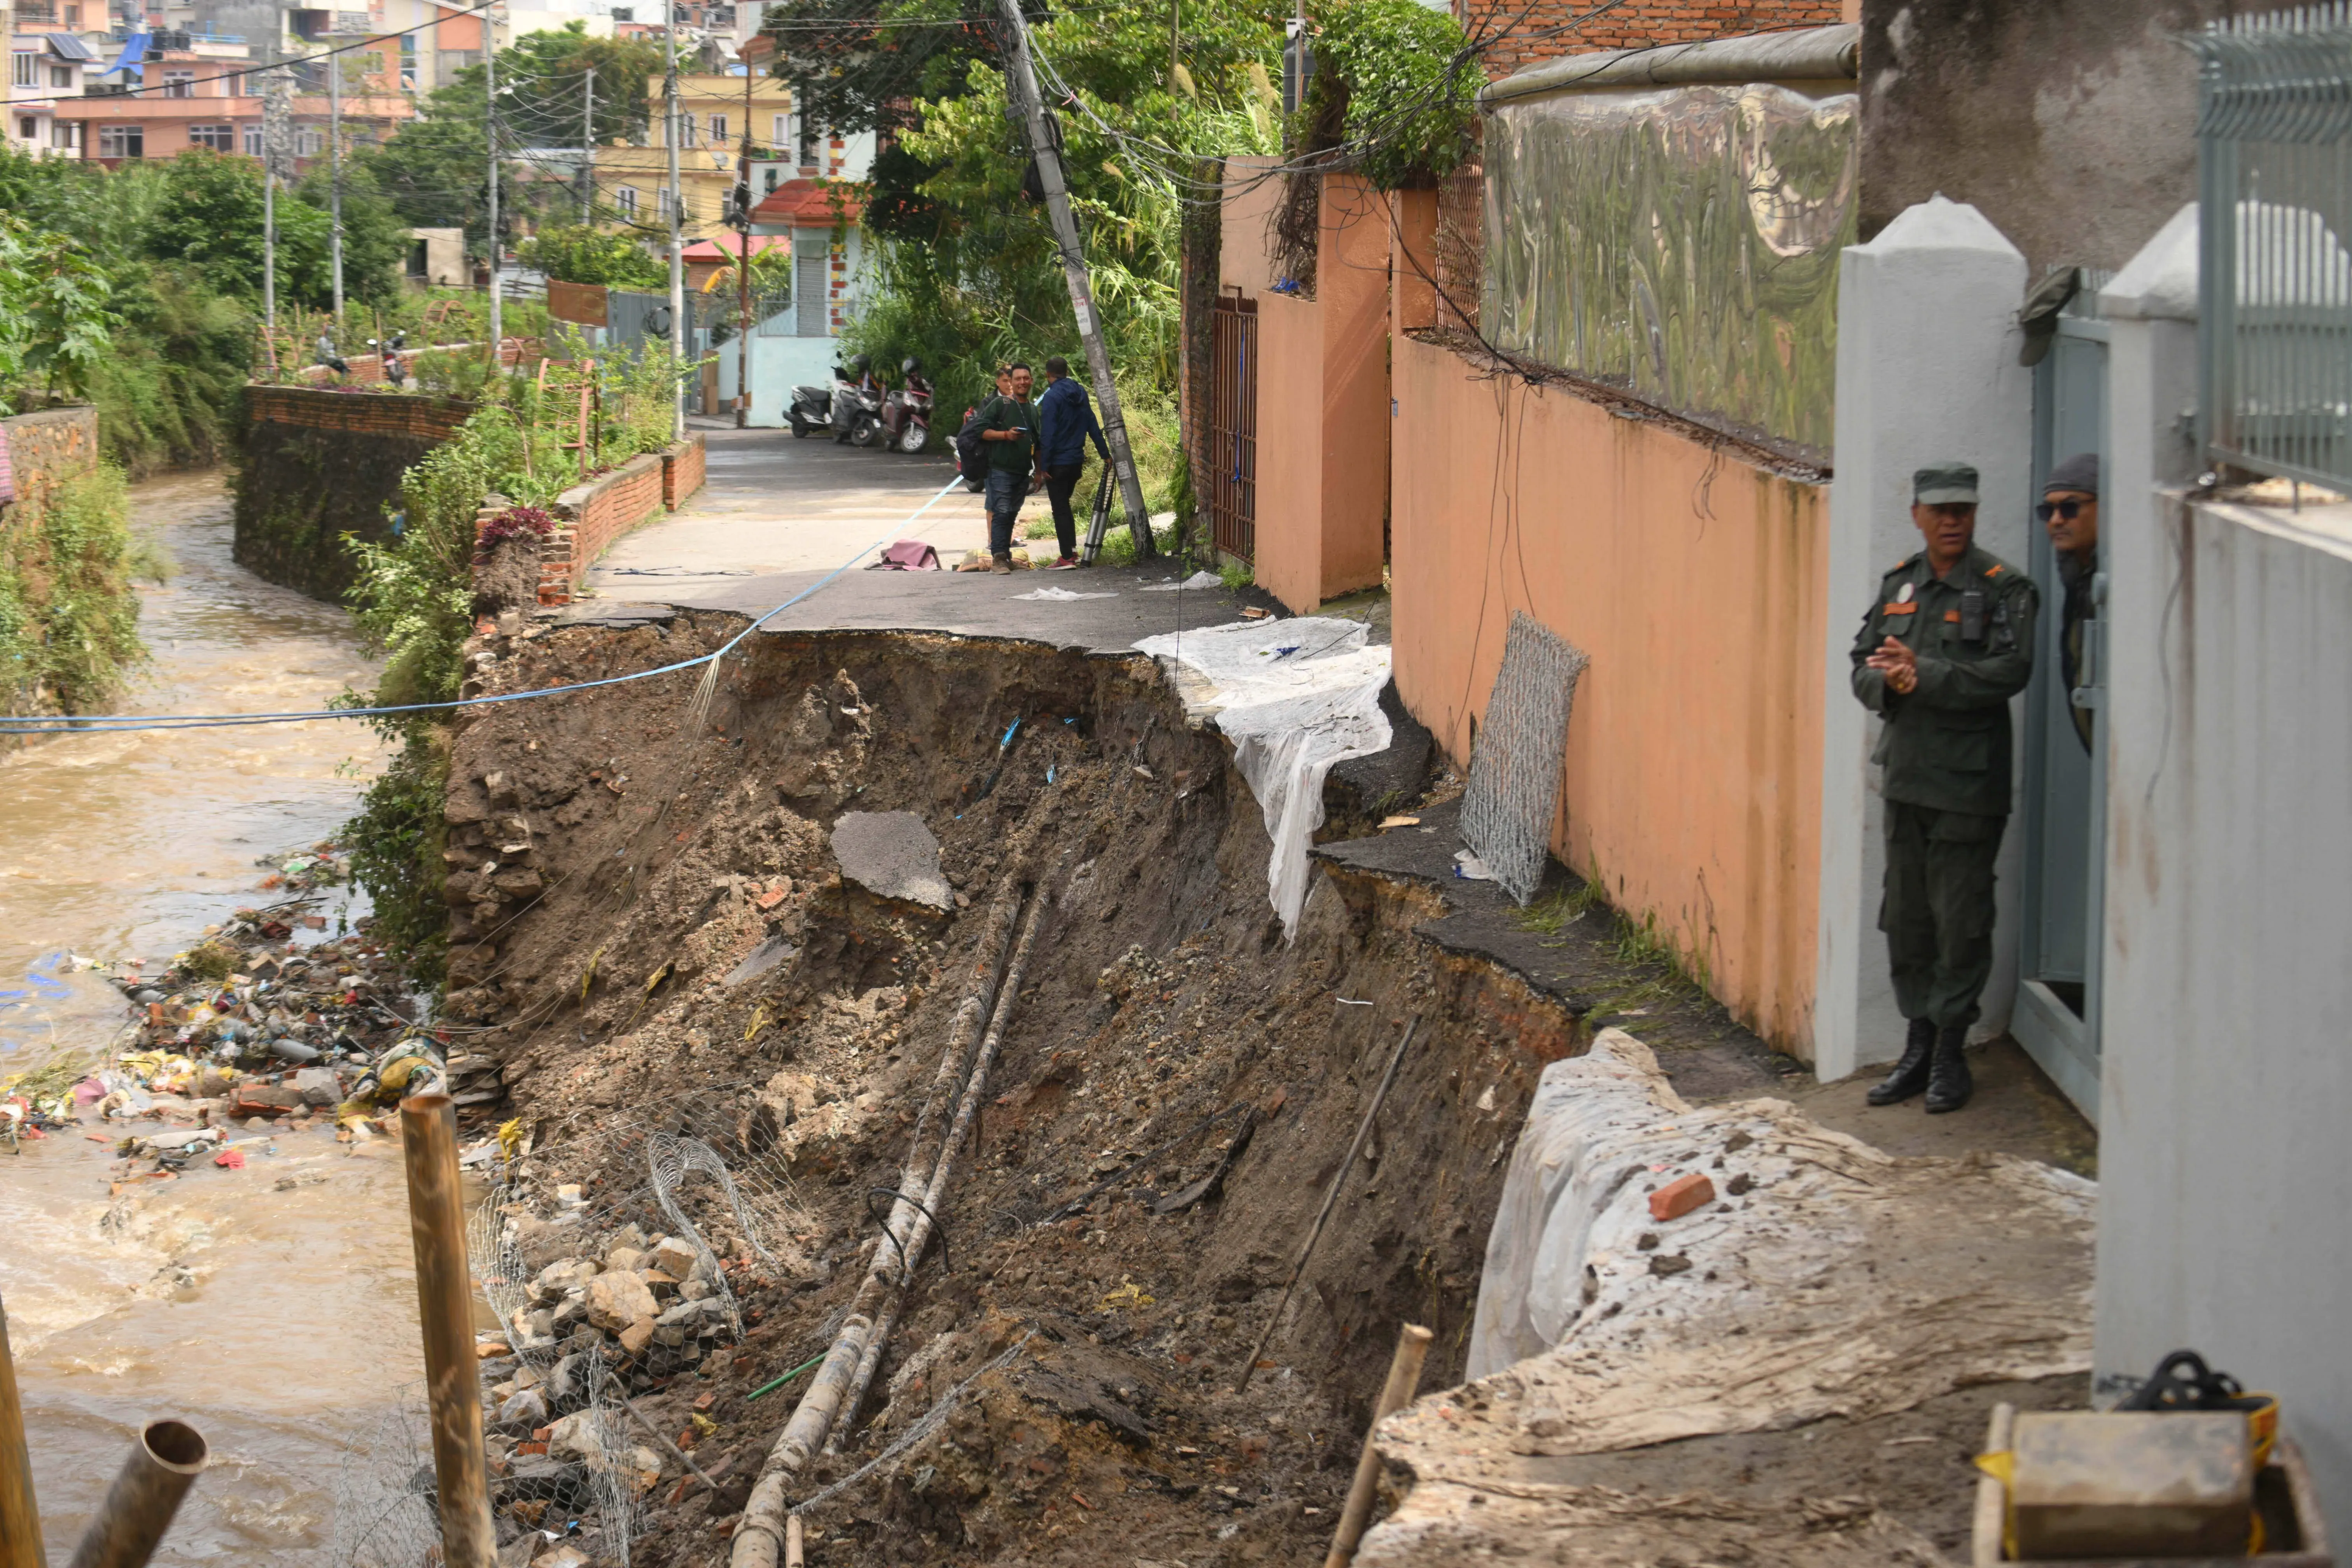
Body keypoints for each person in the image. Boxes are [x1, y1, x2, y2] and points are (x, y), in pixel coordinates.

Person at [1851, 463, 2040, 1115]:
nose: (1951, 520)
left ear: (1975, 512)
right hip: (1906, 776)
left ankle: (1949, 1053)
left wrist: (1923, 675)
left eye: (1962, 508)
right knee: (1906, 916)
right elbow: (1861, 663)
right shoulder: (1898, 584)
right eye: (1939, 510)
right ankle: (1916, 1044)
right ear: (1916, 515)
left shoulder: (2004, 589)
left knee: (1959, 920)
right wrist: (1888, 685)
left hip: (1966, 786)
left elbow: (2009, 671)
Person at [2040, 452, 2100, 753]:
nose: (2056, 521)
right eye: (2048, 510)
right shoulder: (2077, 577)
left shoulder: (2119, 580)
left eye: (2070, 507)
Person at [1034, 355, 1109, 570]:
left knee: (1060, 509)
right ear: (1066, 372)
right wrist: (1104, 453)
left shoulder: (1051, 398)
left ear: (1048, 375)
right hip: (1076, 462)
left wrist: (1044, 466)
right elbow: (1092, 423)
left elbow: (1047, 435)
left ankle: (1067, 557)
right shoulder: (1081, 393)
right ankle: (1071, 552)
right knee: (1064, 507)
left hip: (1058, 463)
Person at [976, 361, 1040, 574]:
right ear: (1011, 382)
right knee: (1001, 512)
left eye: (1026, 378)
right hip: (1000, 470)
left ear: (1031, 381)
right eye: (1018, 379)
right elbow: (981, 432)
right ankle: (999, 559)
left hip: (1023, 471)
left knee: (1012, 513)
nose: (1022, 382)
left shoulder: (1032, 409)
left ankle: (1006, 555)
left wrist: (1039, 472)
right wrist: (1006, 435)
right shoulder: (999, 404)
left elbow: (1038, 443)